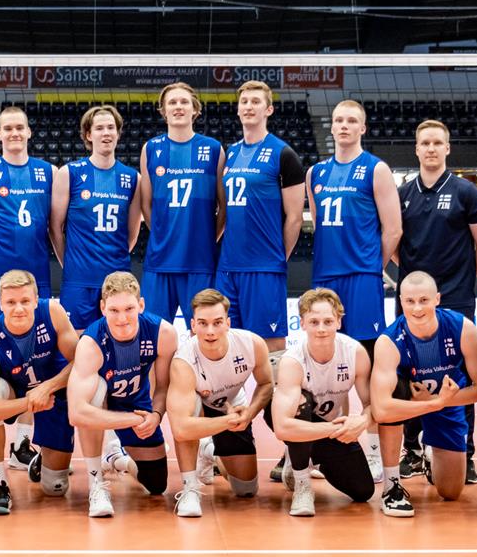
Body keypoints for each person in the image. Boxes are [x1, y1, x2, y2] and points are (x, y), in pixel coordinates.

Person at [305, 98, 403, 483]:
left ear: (362, 128)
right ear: (331, 127)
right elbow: (317, 222)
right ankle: (326, 449)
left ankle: (376, 452)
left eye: (351, 121)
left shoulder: (375, 169)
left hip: (361, 279)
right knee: (324, 369)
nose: (344, 126)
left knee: (367, 367)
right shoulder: (316, 172)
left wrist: (371, 268)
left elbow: (393, 229)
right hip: (324, 278)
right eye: (339, 120)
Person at [396, 120, 477, 485]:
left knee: (461, 374)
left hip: (455, 298)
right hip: (413, 300)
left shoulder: (466, 191)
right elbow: (395, 245)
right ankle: (411, 449)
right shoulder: (403, 193)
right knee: (408, 372)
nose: (431, 148)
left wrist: (462, 274)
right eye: (425, 143)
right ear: (417, 149)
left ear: (448, 148)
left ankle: (463, 452)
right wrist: (414, 284)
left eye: (438, 142)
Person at [0, 106, 52, 471]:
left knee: (36, 361)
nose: (14, 132)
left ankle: (22, 445)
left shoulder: (48, 172)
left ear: (29, 132)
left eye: (20, 127)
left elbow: (54, 224)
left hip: (37, 278)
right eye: (8, 128)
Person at [370, 272, 477, 517]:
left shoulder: (462, 329)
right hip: (408, 403)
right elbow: (381, 410)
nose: (417, 308)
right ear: (401, 301)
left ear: (437, 299)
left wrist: (438, 402)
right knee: (396, 391)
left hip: (447, 402)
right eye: (410, 301)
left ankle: (431, 452)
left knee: (451, 493)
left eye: (424, 300)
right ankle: (391, 485)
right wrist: (433, 403)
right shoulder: (389, 341)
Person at [67, 271, 177, 518]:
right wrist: (134, 420)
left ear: (141, 305)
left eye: (129, 309)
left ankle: (117, 459)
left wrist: (156, 415)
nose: (122, 318)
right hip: (104, 405)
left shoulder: (163, 333)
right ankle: (96, 483)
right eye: (114, 310)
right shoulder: (91, 343)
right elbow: (77, 413)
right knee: (96, 390)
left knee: (156, 483)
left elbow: (163, 387)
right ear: (102, 308)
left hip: (136, 402)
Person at [0, 270, 79, 515]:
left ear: (36, 300)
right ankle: (0, 483)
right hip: (16, 395)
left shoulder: (53, 313)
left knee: (55, 488)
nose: (18, 309)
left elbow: (81, 363)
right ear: (0, 303)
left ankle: (44, 457)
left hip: (53, 393)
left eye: (25, 301)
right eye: (11, 302)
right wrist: (29, 402)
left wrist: (47, 387)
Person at [214, 79, 305, 354]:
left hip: (264, 268)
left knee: (270, 346)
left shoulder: (283, 154)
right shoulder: (231, 153)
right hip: (229, 267)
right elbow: (224, 210)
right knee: (228, 345)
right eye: (244, 102)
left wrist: (276, 258)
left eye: (256, 102)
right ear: (238, 109)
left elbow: (295, 217)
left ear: (269, 110)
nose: (249, 107)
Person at [166, 288, 274, 518]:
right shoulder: (184, 361)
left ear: (228, 323)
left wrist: (249, 412)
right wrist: (230, 421)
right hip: (201, 412)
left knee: (246, 489)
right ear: (192, 325)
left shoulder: (252, 344)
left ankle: (210, 451)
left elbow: (266, 384)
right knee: (192, 409)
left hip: (232, 407)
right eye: (203, 323)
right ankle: (190, 487)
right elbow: (181, 428)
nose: (210, 331)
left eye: (217, 323)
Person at [270, 288, 376, 517]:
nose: (321, 329)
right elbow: (282, 427)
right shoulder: (293, 361)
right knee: (301, 403)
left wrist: (362, 421)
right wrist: (338, 428)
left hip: (328, 428)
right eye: (314, 322)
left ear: (338, 322)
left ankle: (308, 456)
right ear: (302, 324)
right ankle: (302, 483)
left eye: (328, 321)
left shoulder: (355, 353)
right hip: (311, 423)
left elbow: (372, 404)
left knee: (363, 491)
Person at [138, 81, 226, 324]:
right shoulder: (151, 148)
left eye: (184, 102)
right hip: (160, 261)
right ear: (163, 111)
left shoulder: (213, 149)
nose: (178, 107)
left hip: (200, 262)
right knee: (154, 334)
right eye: (172, 102)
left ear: (195, 109)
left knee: (204, 334)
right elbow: (146, 206)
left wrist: (207, 239)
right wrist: (162, 234)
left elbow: (224, 207)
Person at [50, 104, 142, 331]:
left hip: (117, 280)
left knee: (117, 341)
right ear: (89, 135)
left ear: (118, 134)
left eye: (111, 127)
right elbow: (55, 228)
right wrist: (69, 264)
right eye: (99, 128)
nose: (106, 133)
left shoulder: (133, 178)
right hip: (78, 281)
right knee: (76, 344)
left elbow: (132, 235)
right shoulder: (69, 173)